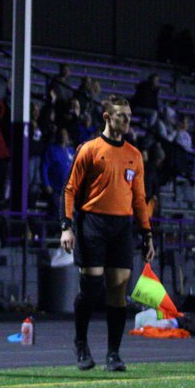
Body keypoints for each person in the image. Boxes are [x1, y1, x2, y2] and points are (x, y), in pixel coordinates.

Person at [60, 95, 155, 373]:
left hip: (122, 226)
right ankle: (81, 343)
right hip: (92, 223)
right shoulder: (89, 149)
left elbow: (139, 198)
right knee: (91, 287)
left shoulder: (134, 155)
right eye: (121, 116)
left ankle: (113, 354)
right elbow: (69, 189)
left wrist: (147, 234)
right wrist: (67, 226)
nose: (126, 121)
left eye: (128, 116)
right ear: (106, 117)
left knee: (118, 289)